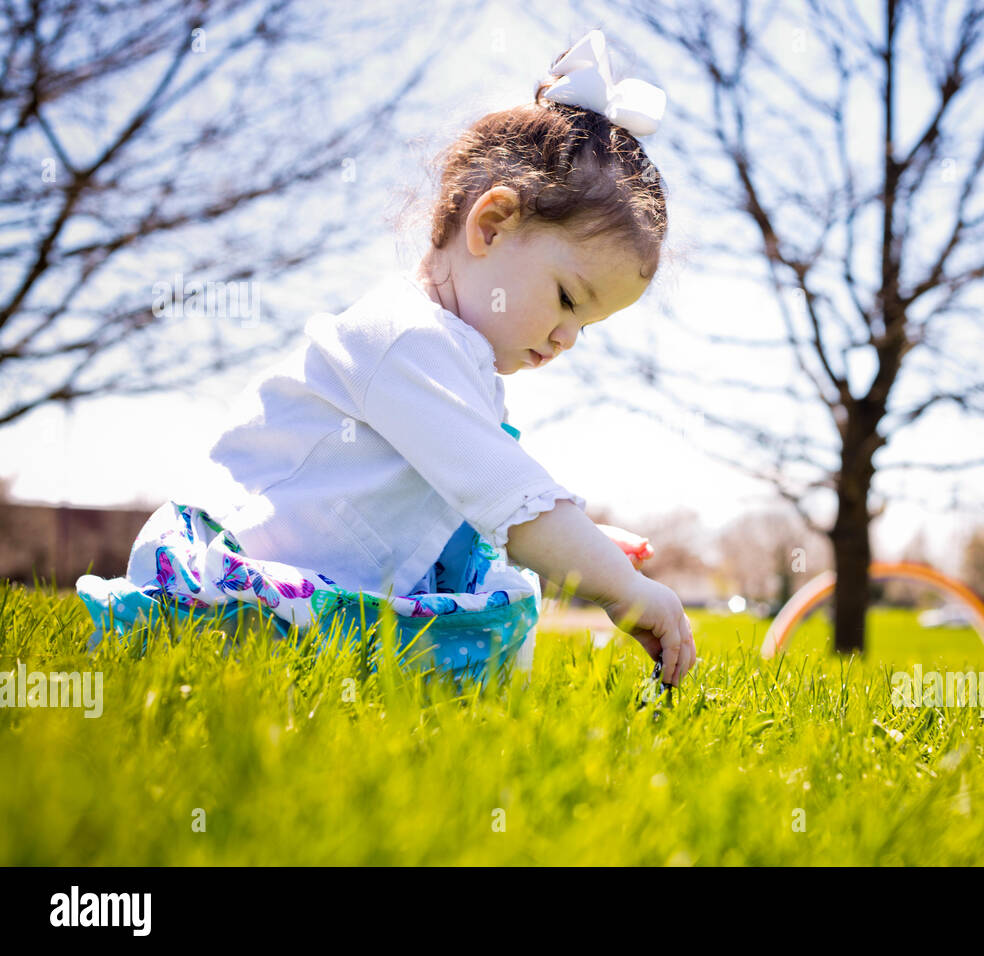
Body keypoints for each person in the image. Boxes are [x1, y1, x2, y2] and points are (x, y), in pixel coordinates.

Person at [75, 29, 697, 689]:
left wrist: (583, 545)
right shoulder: (405, 338)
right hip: (229, 591)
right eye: (569, 299)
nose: (568, 337)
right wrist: (618, 585)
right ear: (489, 226)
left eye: (588, 325)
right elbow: (506, 492)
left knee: (502, 592)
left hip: (305, 598)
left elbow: (479, 503)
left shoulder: (457, 363)